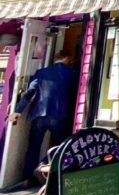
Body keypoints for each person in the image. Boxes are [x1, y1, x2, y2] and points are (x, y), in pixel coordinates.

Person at [9, 50, 77, 187]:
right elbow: (74, 94)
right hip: (60, 114)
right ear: (66, 58)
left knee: (33, 147)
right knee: (59, 147)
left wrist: (17, 111)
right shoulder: (72, 74)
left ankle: (28, 178)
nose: (71, 62)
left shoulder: (41, 73)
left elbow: (29, 93)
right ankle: (47, 171)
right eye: (70, 59)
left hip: (39, 113)